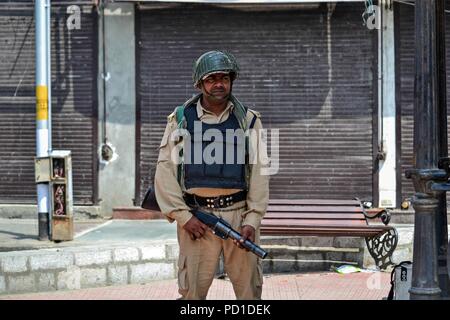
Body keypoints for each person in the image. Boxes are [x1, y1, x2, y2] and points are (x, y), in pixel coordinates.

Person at [154, 50, 269, 300]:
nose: (219, 84)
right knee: (192, 294)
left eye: (224, 78)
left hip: (239, 219)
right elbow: (165, 170)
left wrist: (252, 220)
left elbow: (260, 173)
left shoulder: (248, 121)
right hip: (197, 222)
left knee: (250, 293)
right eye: (211, 78)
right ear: (200, 83)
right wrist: (184, 217)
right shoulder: (182, 119)